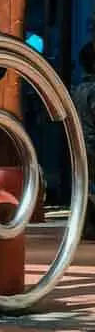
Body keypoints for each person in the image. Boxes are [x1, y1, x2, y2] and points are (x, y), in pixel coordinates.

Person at [72, 42, 95, 237]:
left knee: (86, 186)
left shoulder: (78, 89)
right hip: (93, 143)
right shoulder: (93, 90)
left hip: (82, 145)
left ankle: (85, 226)